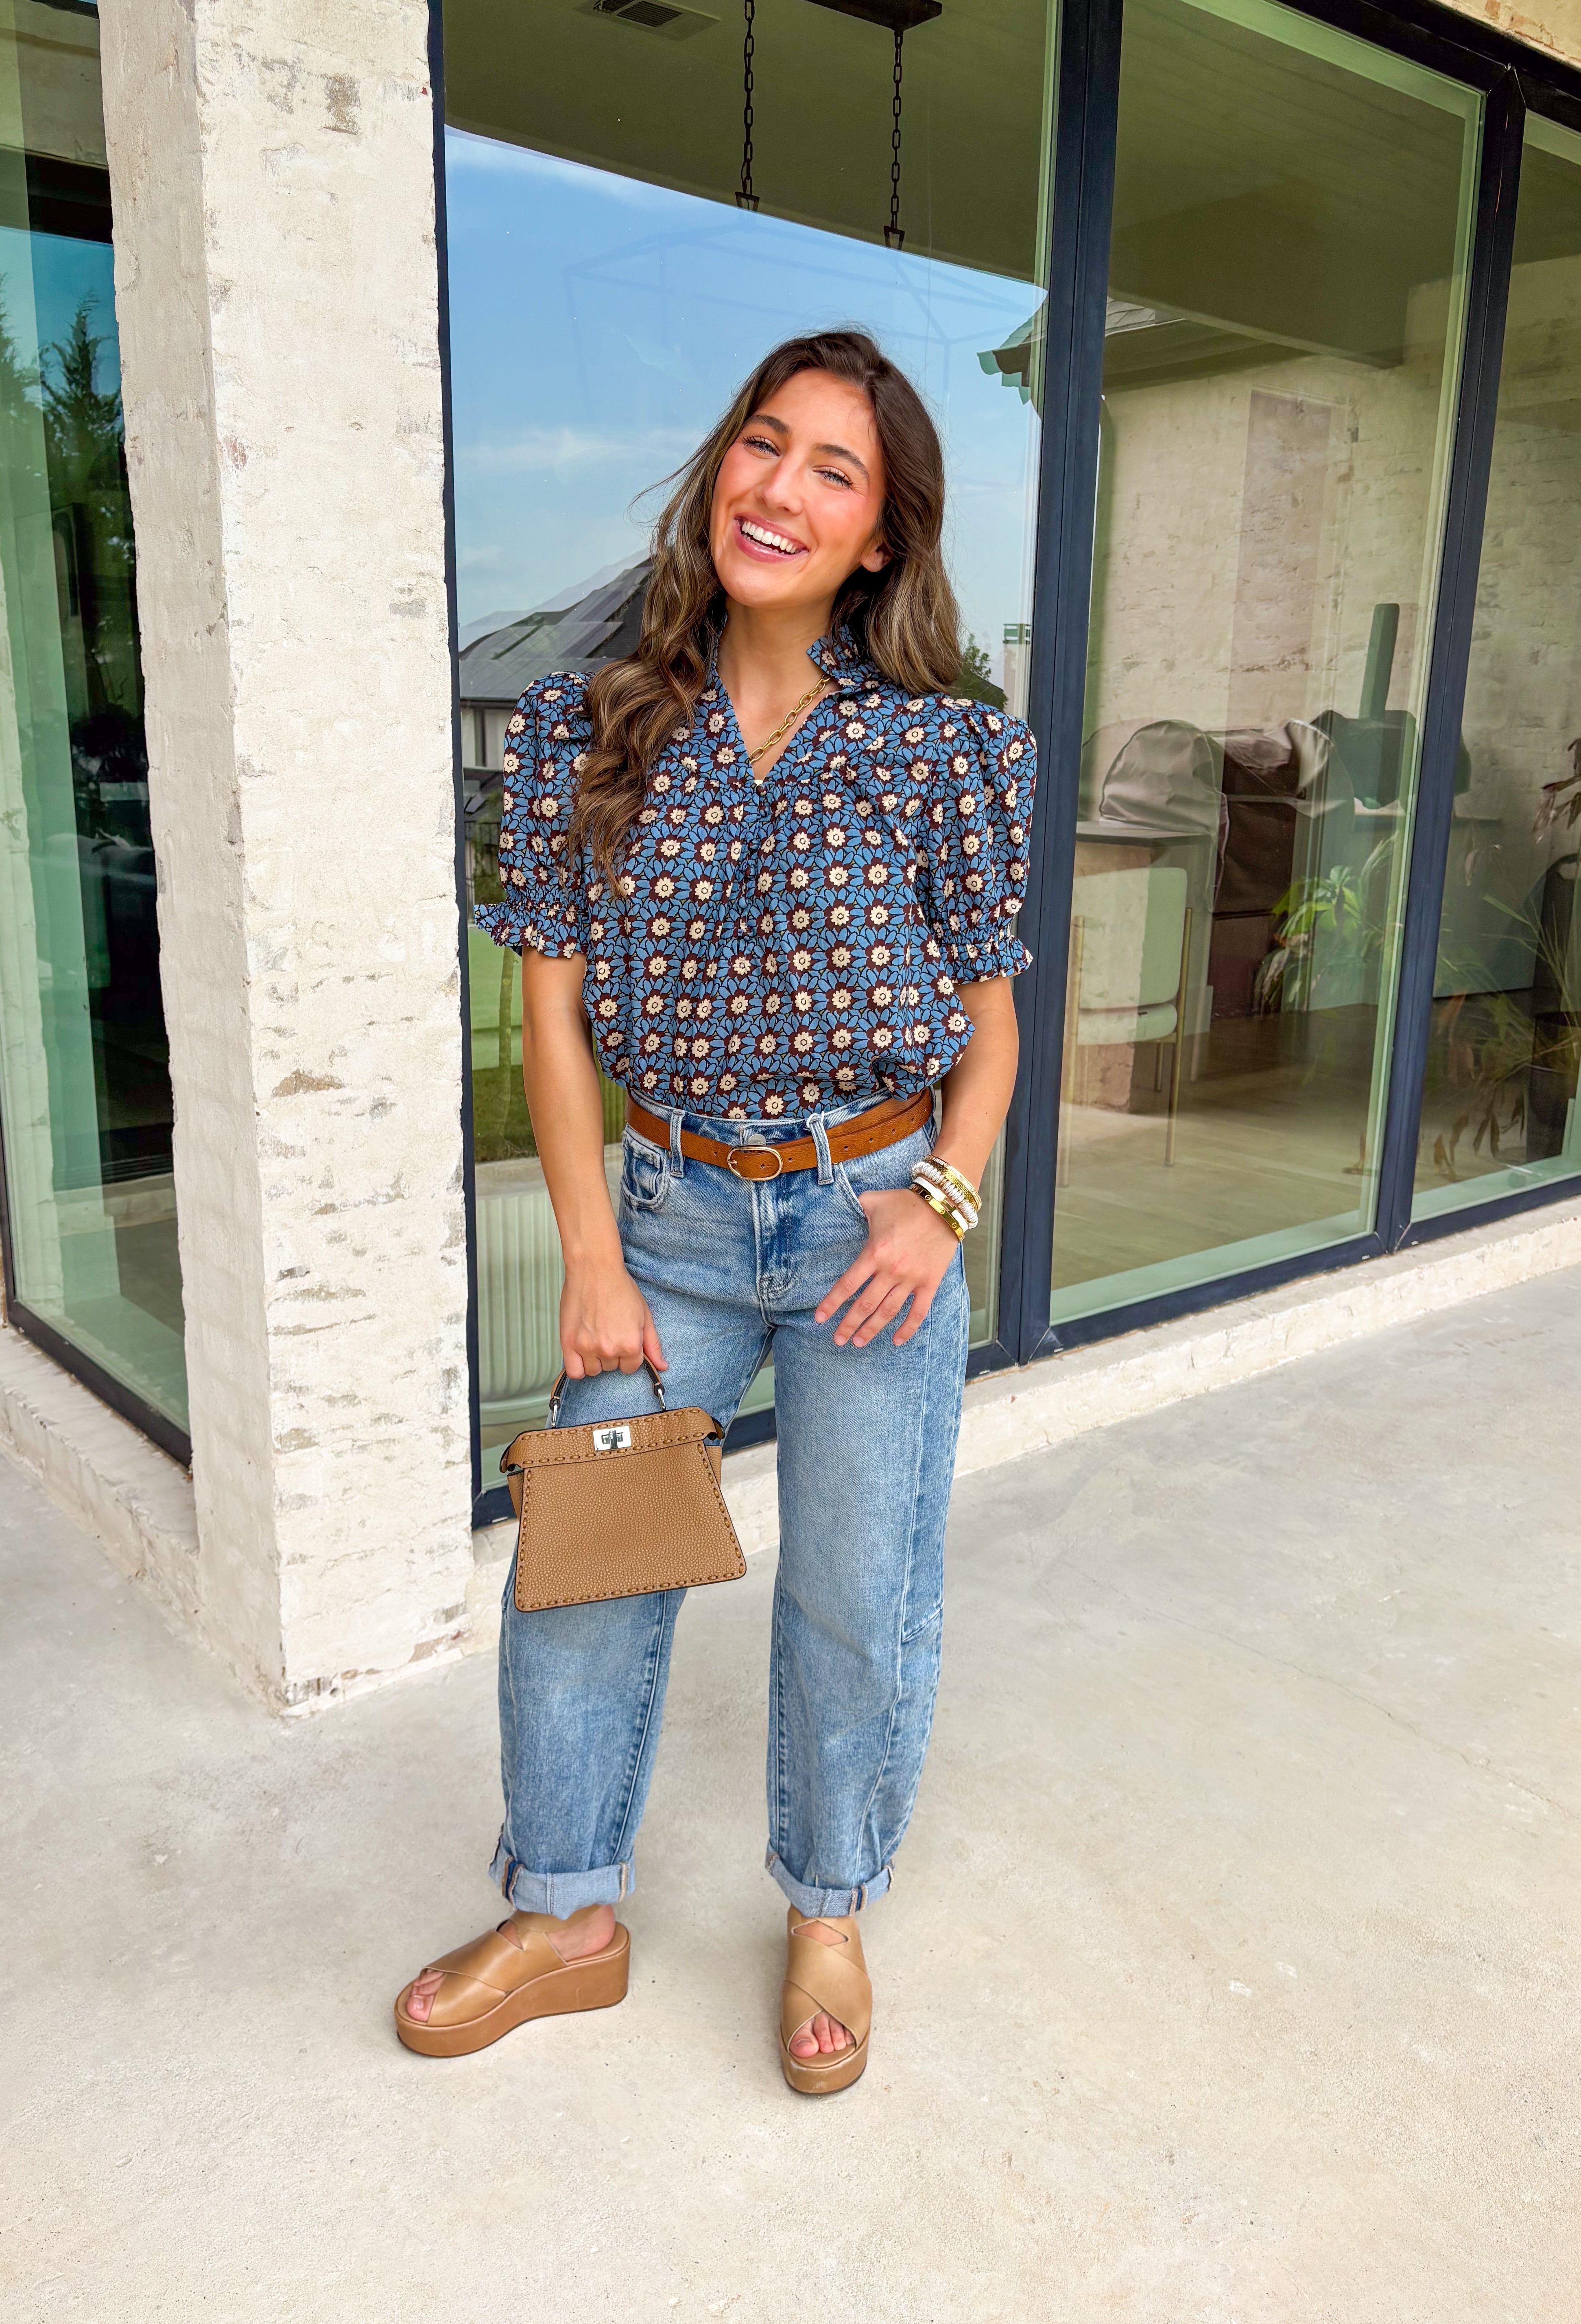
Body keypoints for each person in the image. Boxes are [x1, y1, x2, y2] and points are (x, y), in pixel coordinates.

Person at [395, 328, 1035, 2093]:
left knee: (855, 1590)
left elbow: (992, 1022)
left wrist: (940, 1208)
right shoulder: (585, 719)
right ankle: (569, 1910)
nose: (786, 487)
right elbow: (547, 999)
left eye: (839, 469)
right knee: (581, 1581)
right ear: (720, 472)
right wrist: (591, 1255)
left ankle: (827, 1906)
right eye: (768, 445)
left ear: (883, 536)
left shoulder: (943, 750)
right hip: (667, 1219)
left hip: (868, 1224)